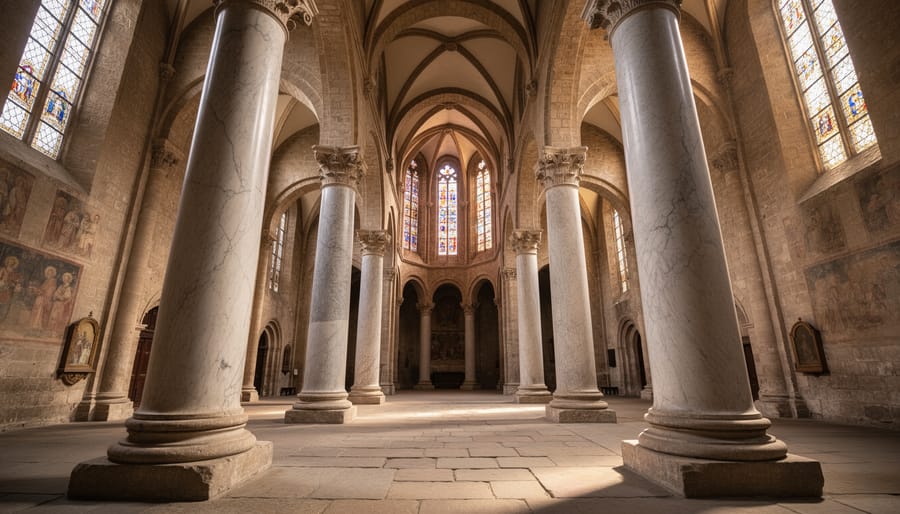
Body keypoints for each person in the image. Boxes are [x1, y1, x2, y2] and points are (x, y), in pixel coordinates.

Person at [29, 266, 57, 330]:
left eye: (50, 273)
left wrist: (41, 292)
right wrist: (36, 290)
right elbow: (41, 289)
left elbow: (50, 291)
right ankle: (34, 325)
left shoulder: (53, 281)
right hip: (40, 298)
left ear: (53, 274)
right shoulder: (46, 281)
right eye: (48, 273)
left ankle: (38, 326)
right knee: (36, 310)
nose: (49, 274)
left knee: (40, 312)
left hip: (44, 299)